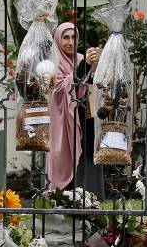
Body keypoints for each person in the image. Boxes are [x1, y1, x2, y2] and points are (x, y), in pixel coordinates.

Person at [47, 21, 105, 193]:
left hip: (85, 118)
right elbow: (60, 88)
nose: (70, 42)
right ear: (58, 39)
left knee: (87, 159)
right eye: (65, 37)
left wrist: (96, 66)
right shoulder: (52, 62)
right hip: (64, 122)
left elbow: (94, 84)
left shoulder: (81, 59)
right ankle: (63, 196)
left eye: (74, 37)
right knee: (64, 159)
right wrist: (85, 67)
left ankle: (91, 199)